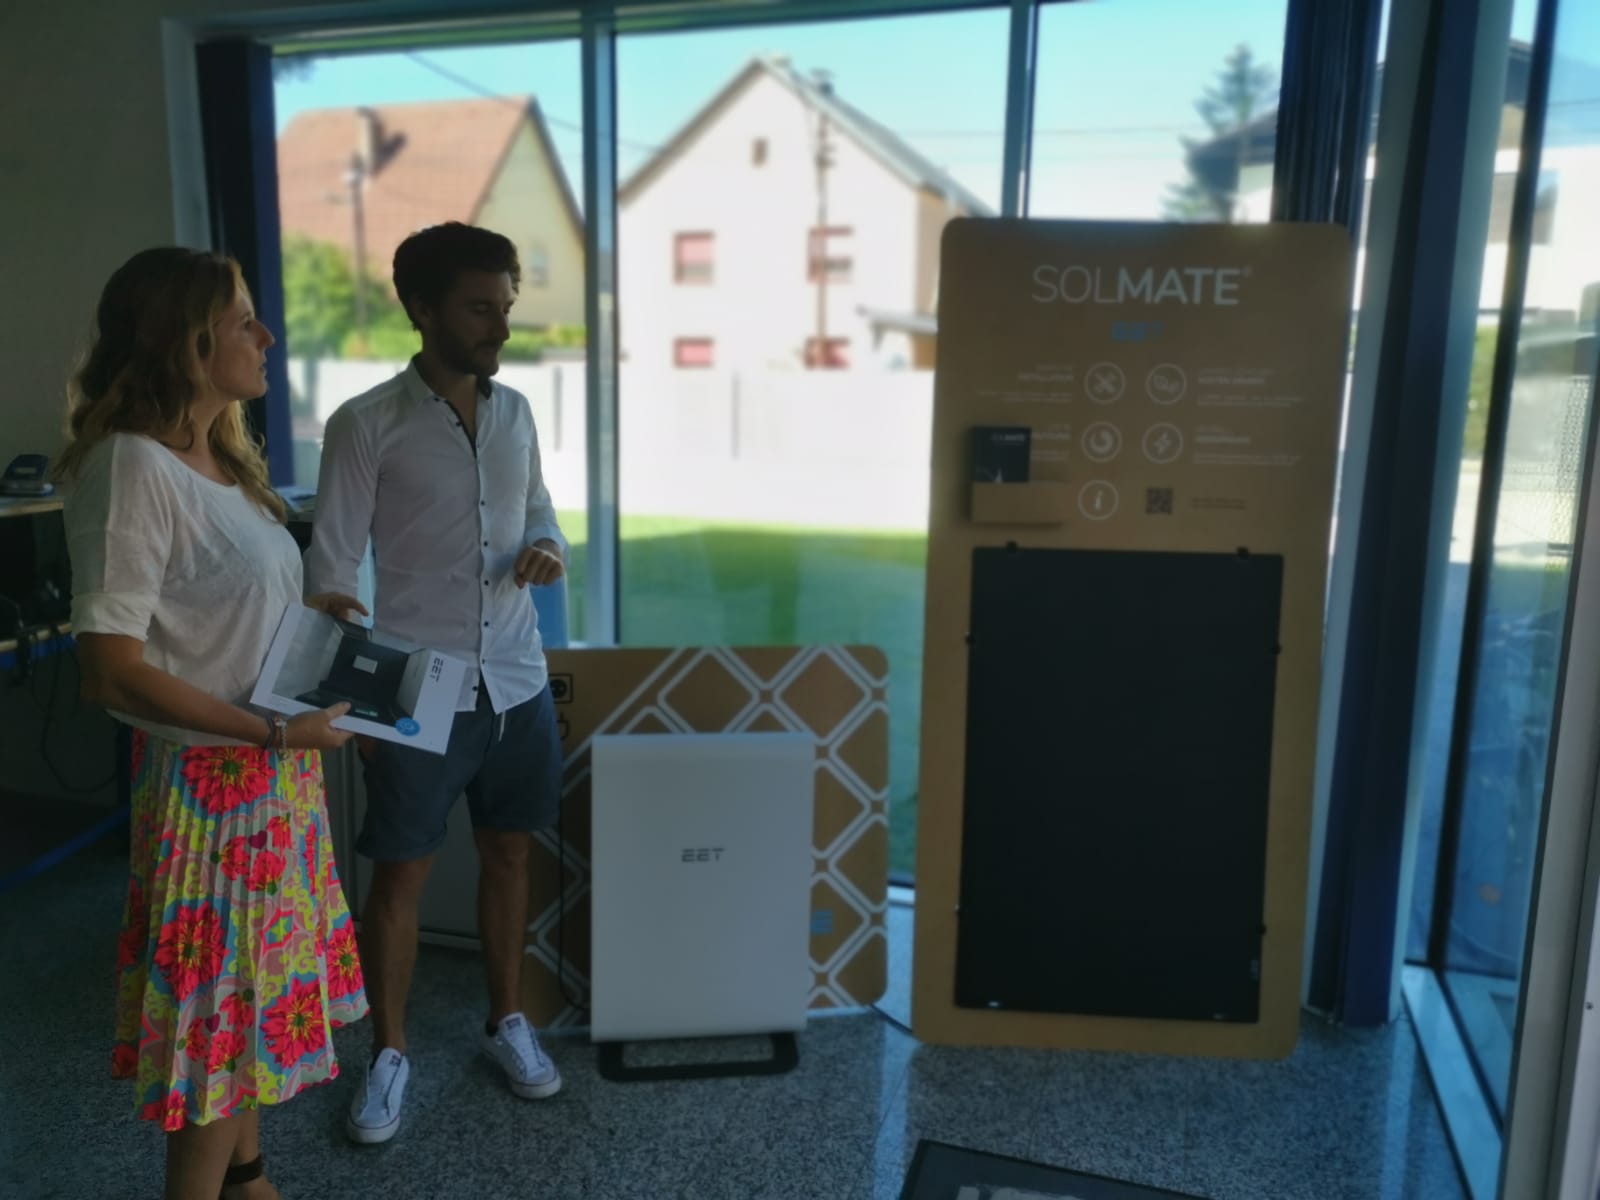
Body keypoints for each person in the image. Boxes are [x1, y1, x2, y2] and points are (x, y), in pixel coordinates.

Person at [58, 247, 368, 1200]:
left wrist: (311, 625)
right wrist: (269, 734)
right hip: (217, 792)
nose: (265, 335)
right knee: (216, 1036)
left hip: (272, 777)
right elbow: (111, 669)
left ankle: (250, 1180)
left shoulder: (219, 460)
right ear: (185, 340)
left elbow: (210, 618)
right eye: (242, 320)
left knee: (246, 1012)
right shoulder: (131, 465)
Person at [305, 222, 567, 1145]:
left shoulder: (517, 412)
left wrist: (547, 544)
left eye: (506, 306)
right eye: (479, 308)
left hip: (518, 680)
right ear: (421, 309)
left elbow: (538, 507)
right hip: (418, 688)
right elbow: (332, 568)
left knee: (510, 855)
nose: (501, 326)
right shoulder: (366, 423)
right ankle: (388, 1054)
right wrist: (354, 694)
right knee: (401, 875)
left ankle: (507, 1021)